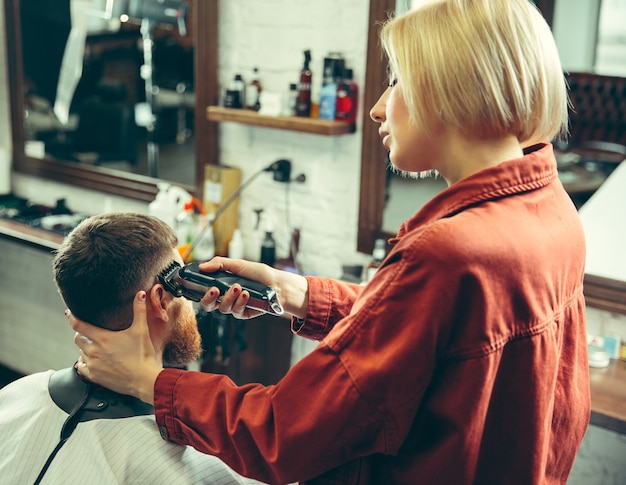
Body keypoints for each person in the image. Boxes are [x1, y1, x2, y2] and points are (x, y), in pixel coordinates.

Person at [69, 1, 590, 484]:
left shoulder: (448, 252)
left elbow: (285, 432)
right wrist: (296, 293)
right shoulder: (546, 209)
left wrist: (148, 382)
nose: (378, 109)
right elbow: (427, 339)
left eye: (398, 82)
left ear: (453, 89)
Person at [0, 213, 265, 485]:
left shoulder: (13, 397)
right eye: (184, 287)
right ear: (160, 300)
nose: (192, 303)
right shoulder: (207, 467)